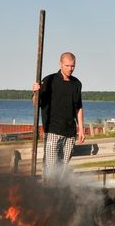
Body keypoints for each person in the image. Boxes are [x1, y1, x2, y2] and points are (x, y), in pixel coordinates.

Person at [32, 52, 85, 180]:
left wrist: (81, 128)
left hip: (70, 132)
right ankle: (47, 194)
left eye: (73, 66)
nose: (70, 69)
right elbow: (35, 103)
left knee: (62, 168)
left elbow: (78, 107)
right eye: (67, 65)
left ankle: (59, 193)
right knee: (50, 168)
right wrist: (35, 92)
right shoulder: (49, 80)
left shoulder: (76, 83)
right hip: (52, 131)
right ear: (60, 64)